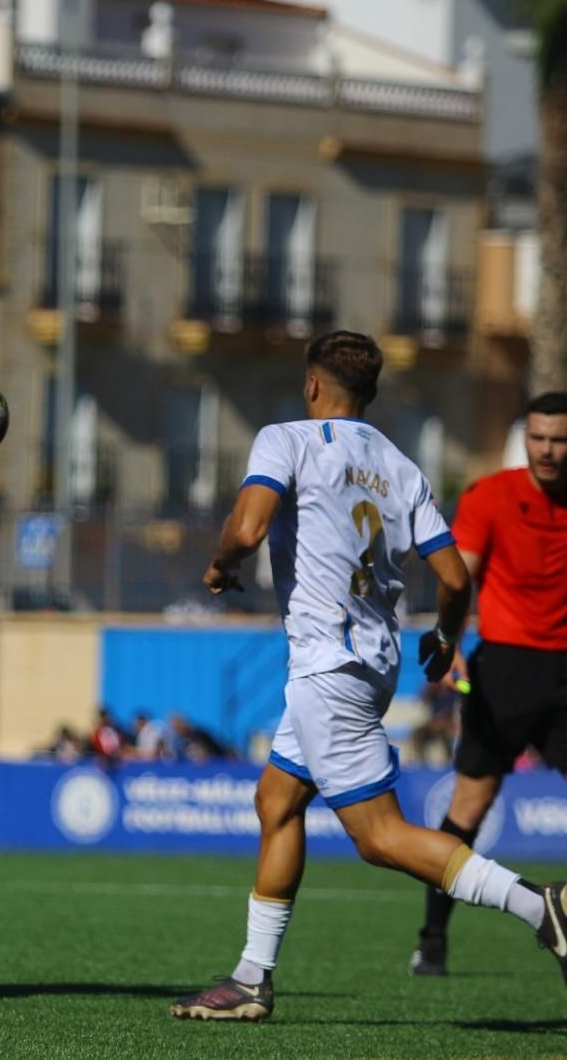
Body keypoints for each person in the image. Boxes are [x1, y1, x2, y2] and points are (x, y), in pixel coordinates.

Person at [169, 331, 566, 1024]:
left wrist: (222, 563)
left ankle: (543, 906)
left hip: (329, 665)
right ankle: (252, 978)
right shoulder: (400, 466)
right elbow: (451, 576)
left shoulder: (285, 438)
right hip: (372, 660)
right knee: (277, 802)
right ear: (372, 394)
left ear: (313, 385)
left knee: (379, 836)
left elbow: (250, 525)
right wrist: (445, 639)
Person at [409, 391, 567, 976]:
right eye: (539, 438)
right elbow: (460, 578)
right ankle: (432, 938)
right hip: (503, 670)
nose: (548, 450)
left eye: (560, 440)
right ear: (525, 438)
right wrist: (449, 645)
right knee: (469, 807)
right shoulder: (491, 497)